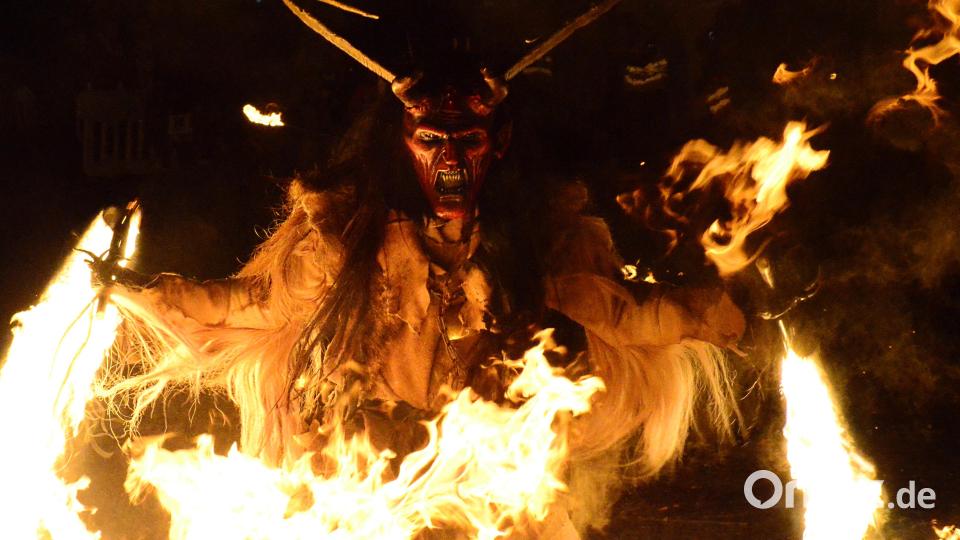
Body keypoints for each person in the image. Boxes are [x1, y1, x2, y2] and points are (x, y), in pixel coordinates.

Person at [97, 0, 746, 534]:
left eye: (467, 141)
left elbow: (629, 315)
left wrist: (730, 309)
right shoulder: (347, 237)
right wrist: (146, 295)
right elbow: (253, 302)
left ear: (499, 144)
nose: (452, 161)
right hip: (371, 468)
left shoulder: (539, 239)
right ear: (403, 145)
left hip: (491, 471)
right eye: (432, 142)